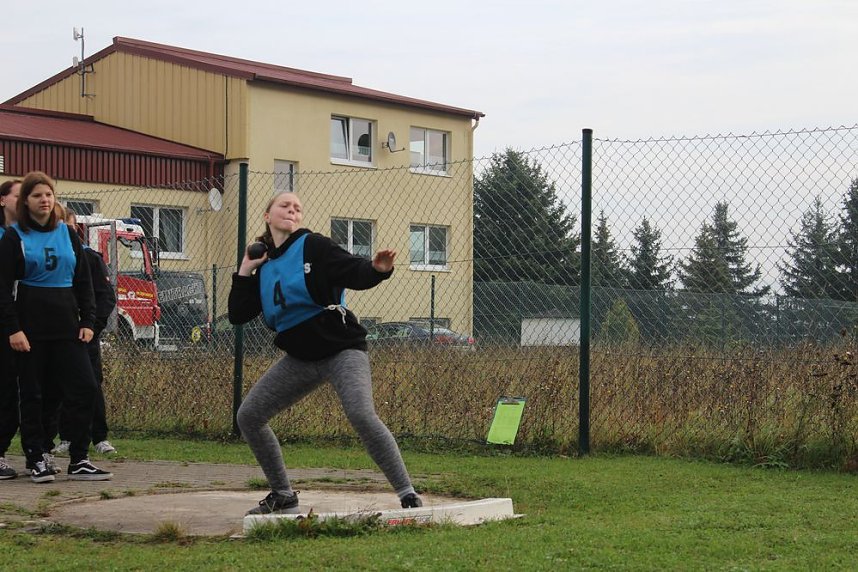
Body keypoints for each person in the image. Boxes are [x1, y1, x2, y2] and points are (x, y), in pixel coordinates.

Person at [229, 191, 422, 514]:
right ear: (267, 216)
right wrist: (246, 268)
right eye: (284, 205)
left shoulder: (313, 245)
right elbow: (237, 314)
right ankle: (282, 494)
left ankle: (407, 494)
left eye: (297, 207)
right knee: (249, 416)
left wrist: (377, 270)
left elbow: (352, 270)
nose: (292, 210)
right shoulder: (263, 267)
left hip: (342, 349)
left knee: (361, 414)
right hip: (301, 359)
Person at [0, 171, 111, 483]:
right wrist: (13, 329)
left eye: (48, 194)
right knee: (33, 394)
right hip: (30, 328)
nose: (44, 200)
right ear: (26, 202)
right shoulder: (14, 237)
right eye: (37, 195)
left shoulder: (67, 234)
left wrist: (88, 320)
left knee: (84, 388)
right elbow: (3, 288)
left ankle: (79, 458)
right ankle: (36, 457)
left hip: (67, 327)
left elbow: (83, 282)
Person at [49, 208, 118, 456]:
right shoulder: (50, 259)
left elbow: (105, 298)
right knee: (58, 386)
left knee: (91, 385)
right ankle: (65, 437)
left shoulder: (91, 259)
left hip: (85, 335)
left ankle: (99, 437)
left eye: (66, 228)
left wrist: (91, 327)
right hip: (57, 334)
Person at [0, 180, 22, 480]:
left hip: (21, 323)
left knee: (13, 392)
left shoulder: (29, 236)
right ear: (3, 200)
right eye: (19, 195)